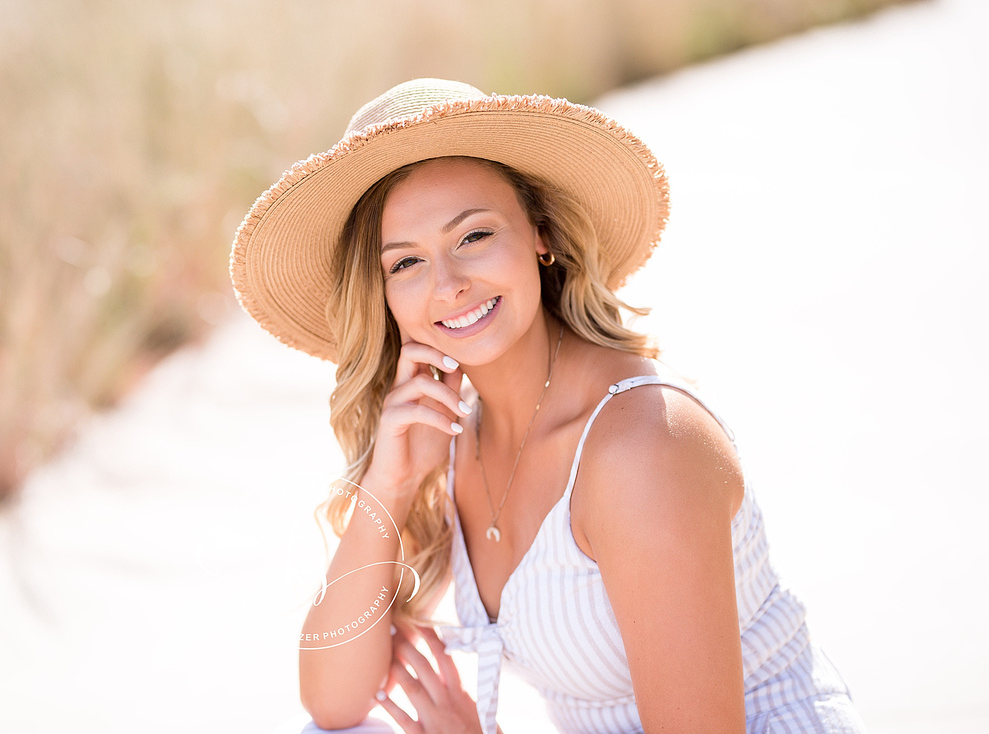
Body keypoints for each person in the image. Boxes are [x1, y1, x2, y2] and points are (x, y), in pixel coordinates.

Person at [232, 78, 866, 734]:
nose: (448, 285)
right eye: (407, 263)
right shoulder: (454, 434)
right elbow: (335, 704)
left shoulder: (643, 447)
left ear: (540, 234)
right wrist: (390, 484)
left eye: (473, 236)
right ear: (384, 295)